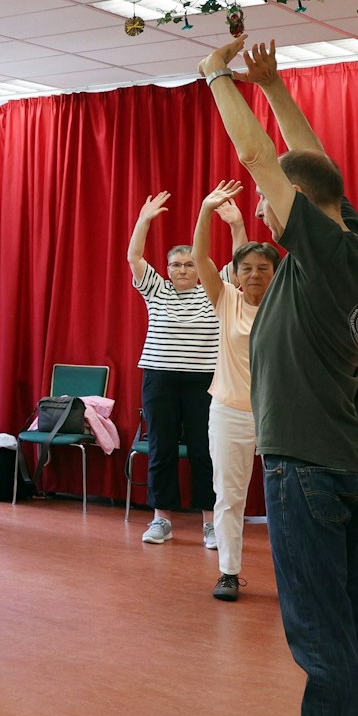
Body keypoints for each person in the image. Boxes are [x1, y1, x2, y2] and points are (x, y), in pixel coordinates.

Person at [200, 36, 358, 716]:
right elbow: (313, 163)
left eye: (273, 200)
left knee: (321, 633)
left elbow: (263, 157)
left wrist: (219, 77)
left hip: (307, 467)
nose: (261, 210)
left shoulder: (318, 251)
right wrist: (278, 86)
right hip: (347, 461)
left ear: (298, 205)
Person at [127, 189, 241, 545]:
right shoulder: (156, 290)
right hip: (160, 378)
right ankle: (161, 520)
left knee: (205, 450)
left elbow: (239, 263)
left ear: (199, 267)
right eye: (175, 264)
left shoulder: (214, 289)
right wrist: (144, 220)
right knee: (160, 447)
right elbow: (134, 256)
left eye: (189, 263)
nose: (181, 270)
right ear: (167, 270)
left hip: (204, 381)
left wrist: (236, 225)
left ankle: (210, 523)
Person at [191, 180, 279, 603]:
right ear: (236, 275)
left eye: (264, 268)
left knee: (289, 500)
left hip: (280, 416)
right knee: (229, 496)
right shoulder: (226, 299)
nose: (255, 274)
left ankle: (298, 577)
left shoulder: (288, 304)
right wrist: (207, 211)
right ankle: (229, 572)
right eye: (247, 268)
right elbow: (200, 258)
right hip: (229, 411)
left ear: (277, 274)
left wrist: (244, 225)